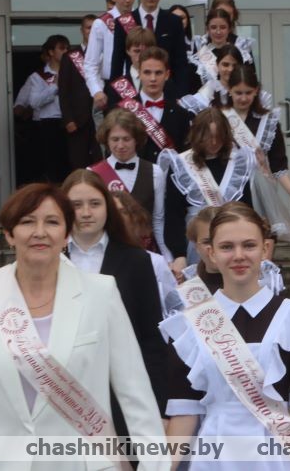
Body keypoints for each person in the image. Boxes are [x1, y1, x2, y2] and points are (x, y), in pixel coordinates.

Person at [0, 183, 167, 471]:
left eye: (52, 222)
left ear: (66, 235)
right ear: (9, 234)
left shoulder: (100, 293)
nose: (40, 232)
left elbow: (135, 393)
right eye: (28, 222)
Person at [163, 202, 290, 471]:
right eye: (226, 247)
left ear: (265, 249)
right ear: (211, 253)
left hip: (278, 457)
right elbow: (185, 413)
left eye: (249, 245)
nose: (238, 255)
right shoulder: (189, 325)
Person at [62, 169, 168, 434]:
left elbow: (150, 337)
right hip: (63, 389)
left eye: (95, 204)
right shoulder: (51, 259)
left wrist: (159, 406)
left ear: (107, 208)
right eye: (76, 205)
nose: (86, 213)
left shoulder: (136, 260)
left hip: (120, 393)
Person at [159, 107, 256, 280]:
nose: (214, 142)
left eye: (219, 136)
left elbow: (247, 210)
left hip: (233, 243)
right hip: (196, 245)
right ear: (197, 135)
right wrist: (179, 254)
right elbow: (174, 214)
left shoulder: (238, 163)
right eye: (208, 137)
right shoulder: (182, 164)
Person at [222, 65, 290, 239]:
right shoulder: (220, 118)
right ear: (229, 90)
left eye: (248, 92)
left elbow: (278, 166)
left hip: (261, 193)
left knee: (262, 239)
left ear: (256, 91)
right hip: (229, 191)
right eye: (238, 92)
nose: (243, 98)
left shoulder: (268, 122)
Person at [90, 108, 168, 257]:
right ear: (106, 140)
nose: (120, 145)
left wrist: (166, 255)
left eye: (126, 139)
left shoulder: (155, 172)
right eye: (115, 139)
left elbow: (158, 220)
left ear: (136, 140)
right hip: (108, 251)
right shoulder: (93, 173)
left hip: (146, 251)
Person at [108, 47, 195, 165]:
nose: (153, 78)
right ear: (139, 73)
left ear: (167, 75)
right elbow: (111, 153)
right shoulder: (121, 111)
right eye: (147, 72)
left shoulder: (181, 114)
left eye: (158, 73)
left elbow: (185, 154)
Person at [111, 0, 190, 96]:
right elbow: (117, 63)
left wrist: (181, 96)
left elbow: (180, 63)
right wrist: (115, 97)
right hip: (133, 93)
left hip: (167, 92)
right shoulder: (123, 22)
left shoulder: (174, 22)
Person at [181, 206, 284, 297]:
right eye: (207, 242)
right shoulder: (189, 285)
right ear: (196, 246)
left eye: (226, 245)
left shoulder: (266, 281)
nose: (238, 255)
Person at [13, 34, 71, 182]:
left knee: (70, 165)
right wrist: (54, 87)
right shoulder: (38, 77)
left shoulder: (74, 73)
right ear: (51, 52)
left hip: (71, 123)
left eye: (67, 48)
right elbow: (33, 102)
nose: (66, 51)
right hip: (48, 124)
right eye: (62, 48)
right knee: (51, 166)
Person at [111, 190, 178, 318]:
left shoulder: (155, 262)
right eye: (111, 212)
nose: (117, 218)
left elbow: (174, 308)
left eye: (123, 212)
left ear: (134, 218)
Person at [85, 0, 136, 112]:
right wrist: (96, 91)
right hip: (113, 86)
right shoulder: (101, 23)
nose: (128, 0)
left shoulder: (139, 19)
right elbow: (90, 63)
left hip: (139, 84)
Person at [59, 14, 104, 170]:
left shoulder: (106, 53)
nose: (91, 31)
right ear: (82, 30)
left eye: (94, 28)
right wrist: (68, 119)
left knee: (101, 160)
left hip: (102, 115)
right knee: (78, 160)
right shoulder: (70, 57)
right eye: (88, 27)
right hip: (78, 119)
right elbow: (64, 91)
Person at [189, 9, 254, 89]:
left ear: (229, 29)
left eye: (223, 27)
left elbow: (250, 82)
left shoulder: (242, 54)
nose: (218, 32)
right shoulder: (199, 57)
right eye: (213, 27)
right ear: (207, 29)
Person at [179, 44, 244, 114]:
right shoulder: (211, 87)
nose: (230, 69)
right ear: (217, 64)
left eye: (235, 65)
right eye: (225, 65)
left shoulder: (246, 87)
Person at [103, 26, 156, 107]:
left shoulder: (165, 83)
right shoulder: (116, 87)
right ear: (128, 51)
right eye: (137, 51)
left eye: (146, 51)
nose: (141, 56)